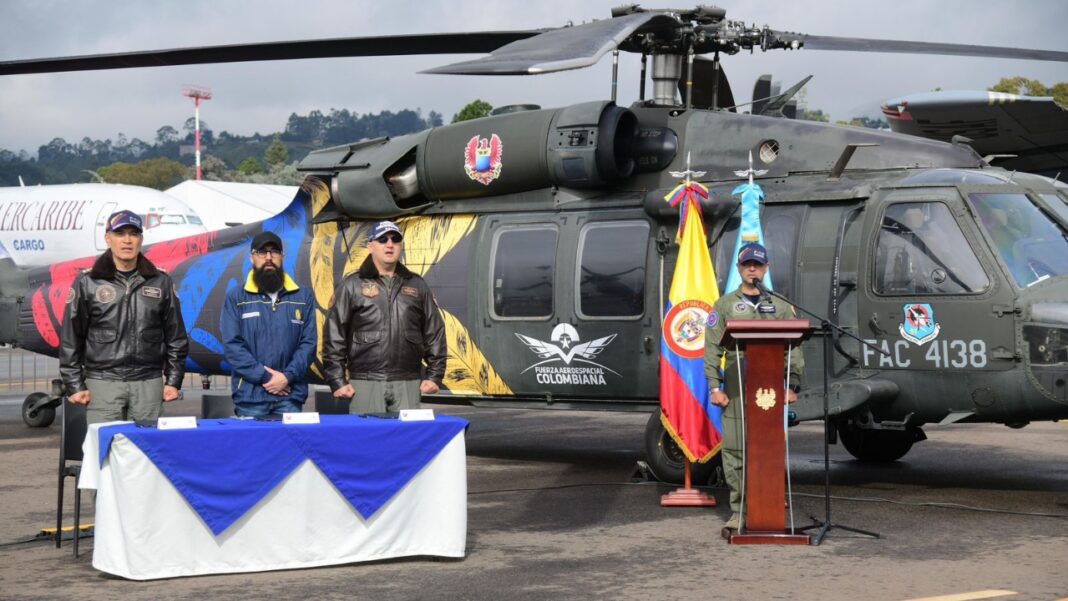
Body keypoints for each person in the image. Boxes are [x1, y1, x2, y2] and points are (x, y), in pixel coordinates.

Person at [704, 242, 804, 533]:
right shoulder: (724, 306)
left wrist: (792, 384)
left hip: (770, 392)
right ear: (738, 269)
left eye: (757, 265)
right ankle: (739, 512)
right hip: (736, 388)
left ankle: (768, 507)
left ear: (766, 268)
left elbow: (794, 349)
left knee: (768, 450)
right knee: (735, 451)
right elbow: (711, 349)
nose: (752, 269)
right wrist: (714, 387)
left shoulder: (782, 306)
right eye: (747, 264)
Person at [59, 210, 189, 425]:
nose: (127, 240)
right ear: (108, 238)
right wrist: (74, 384)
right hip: (103, 383)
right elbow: (71, 337)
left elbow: (176, 337)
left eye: (133, 234)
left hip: (148, 384)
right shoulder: (88, 281)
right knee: (106, 452)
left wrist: (174, 381)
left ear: (141, 240)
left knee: (145, 454)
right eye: (120, 233)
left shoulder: (161, 281)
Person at [323, 220, 447, 413]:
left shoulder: (417, 285)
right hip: (365, 382)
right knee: (367, 440)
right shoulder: (352, 285)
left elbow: (435, 331)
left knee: (407, 441)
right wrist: (337, 380)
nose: (390, 244)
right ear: (370, 246)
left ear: (401, 246)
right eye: (383, 239)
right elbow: (334, 334)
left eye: (395, 239)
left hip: (408, 382)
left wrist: (434, 376)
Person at [221, 231, 317, 417]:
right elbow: (233, 346)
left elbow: (309, 344)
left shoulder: (302, 297)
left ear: (282, 257)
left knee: (289, 447)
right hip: (250, 398)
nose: (268, 258)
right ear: (251, 258)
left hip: (289, 397)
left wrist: (287, 377)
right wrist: (266, 377)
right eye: (261, 252)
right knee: (252, 447)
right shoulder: (236, 298)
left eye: (274, 252)